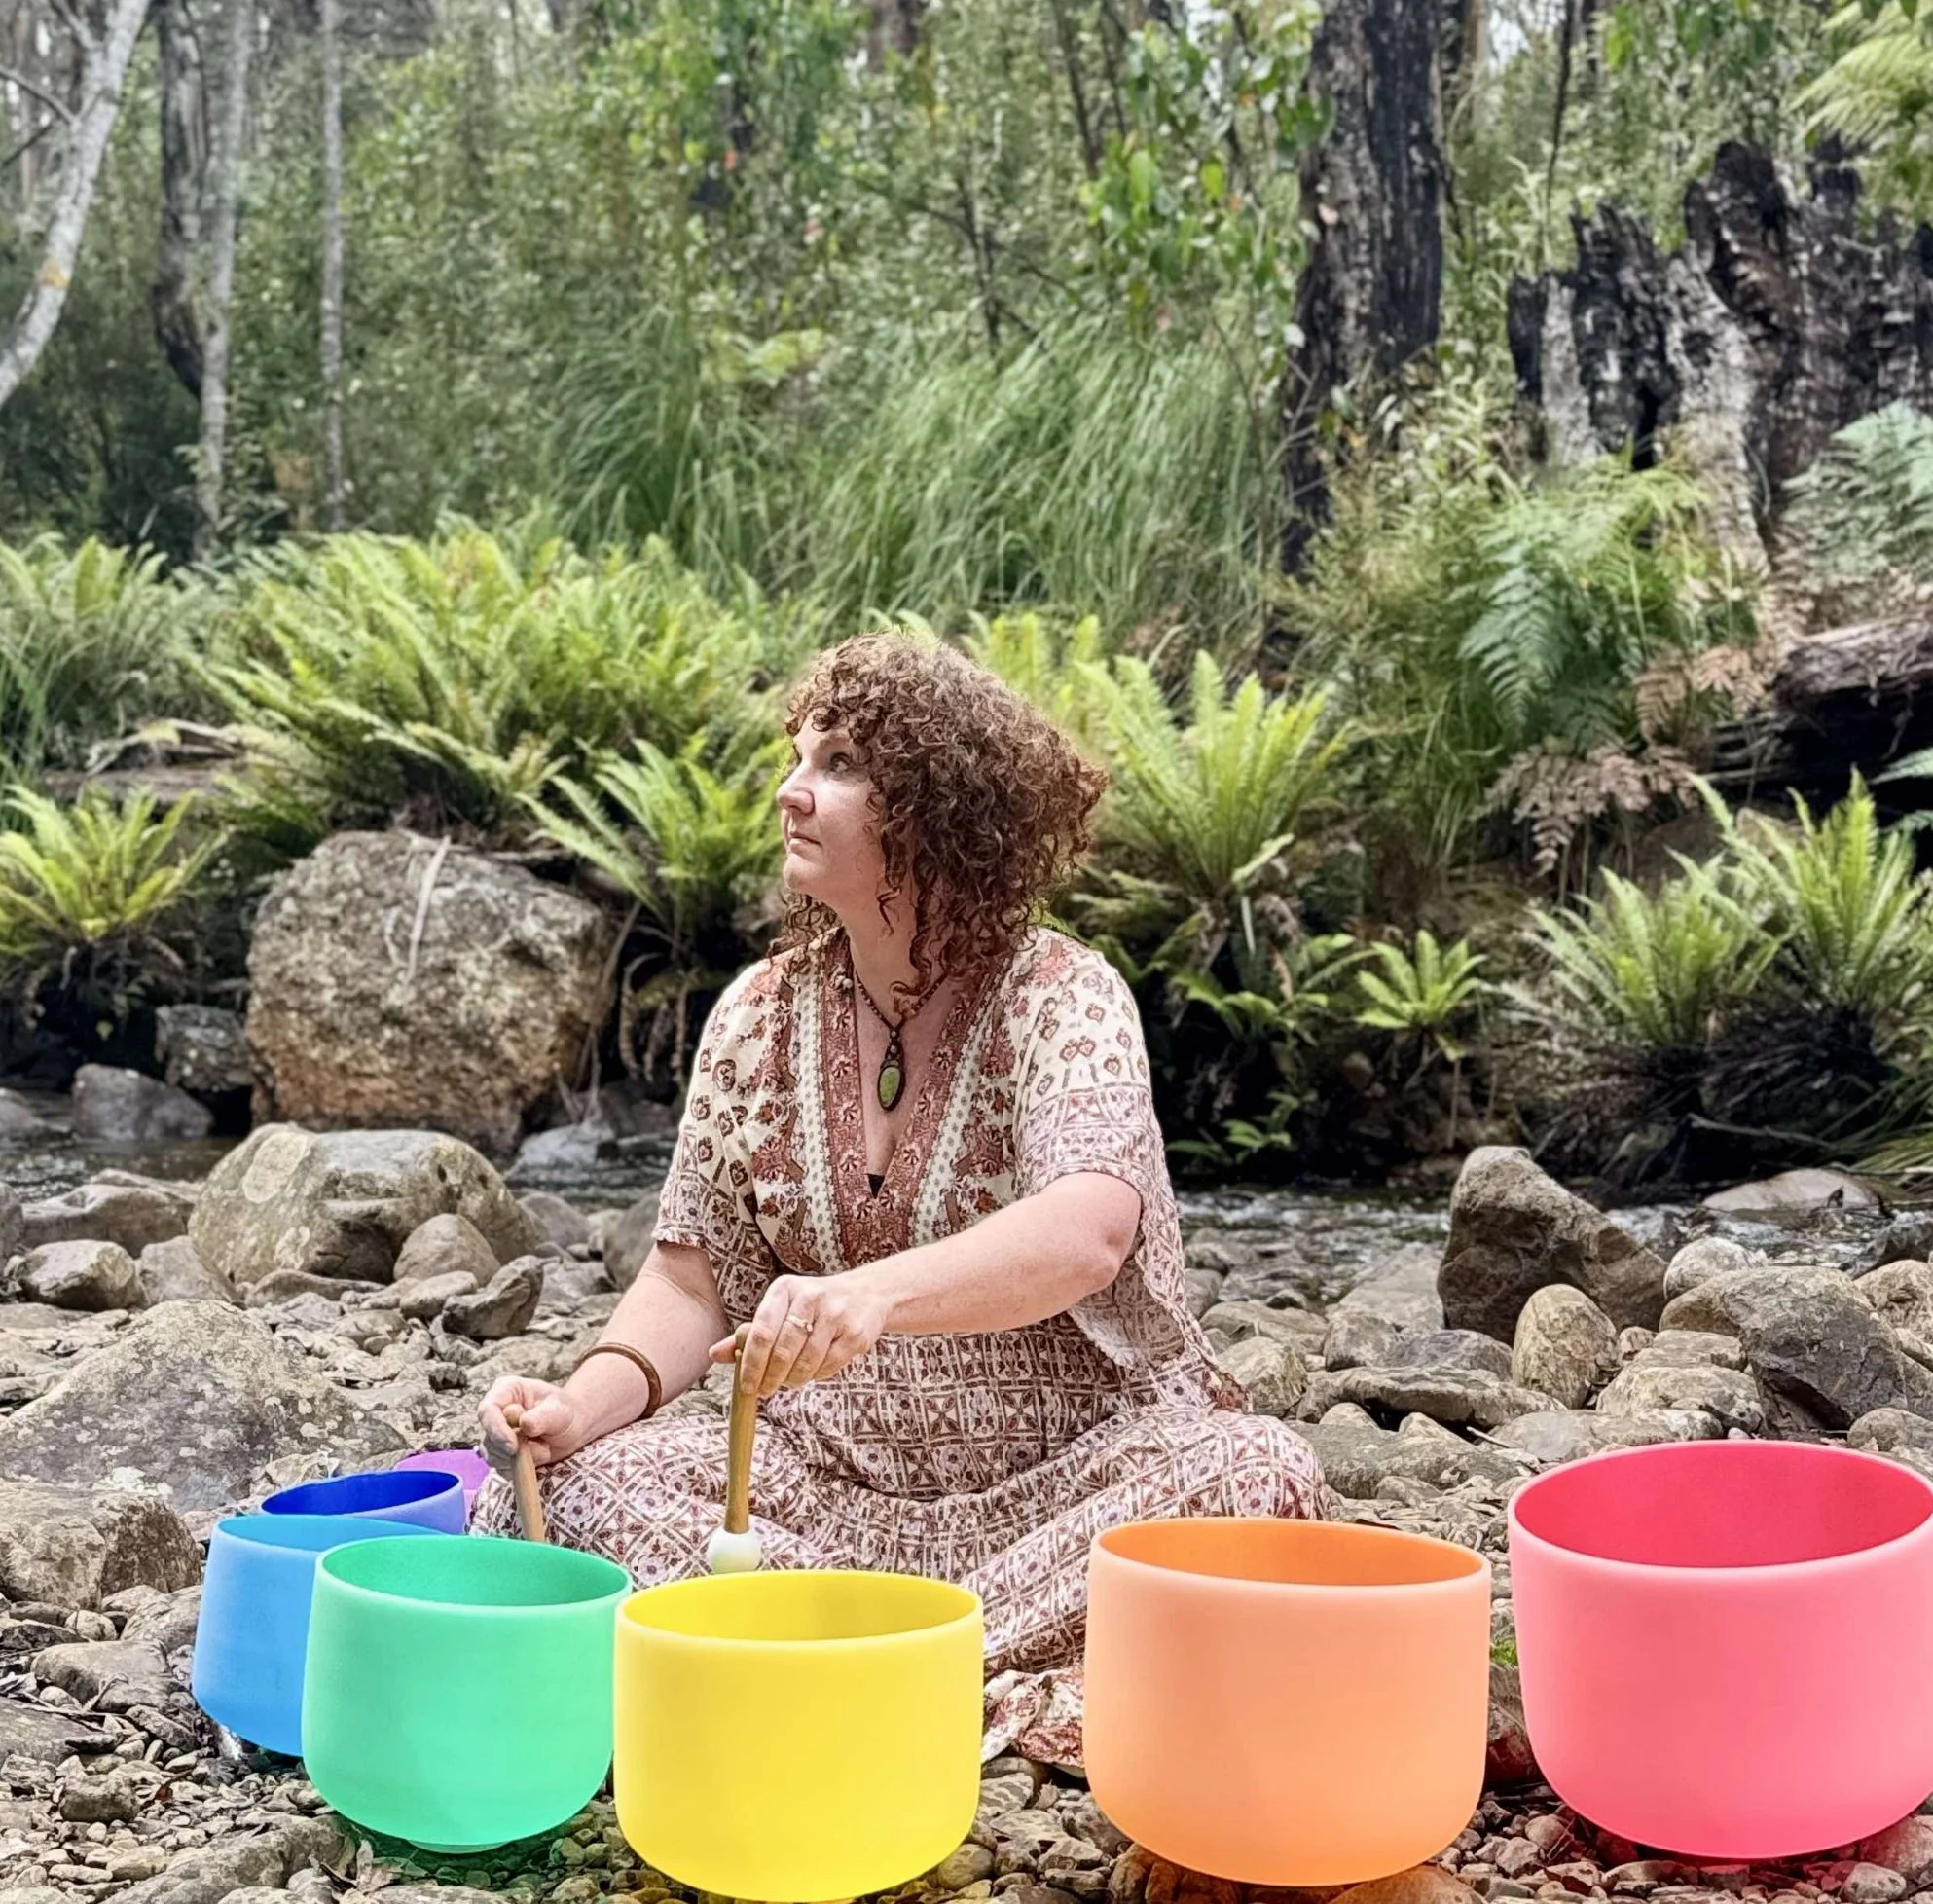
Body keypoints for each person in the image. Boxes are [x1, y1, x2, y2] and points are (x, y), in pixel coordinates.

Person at [478, 631, 1332, 1756]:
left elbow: (1089, 1230)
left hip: (1061, 1488)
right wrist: (577, 1407)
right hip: (819, 1494)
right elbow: (689, 1278)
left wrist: (870, 1296)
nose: (790, 790)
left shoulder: (1062, 997)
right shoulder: (754, 1016)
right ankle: (944, 1678)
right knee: (556, 1495)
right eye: (794, 756)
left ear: (938, 806)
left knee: (1260, 1474)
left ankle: (829, 1670)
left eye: (835, 763)